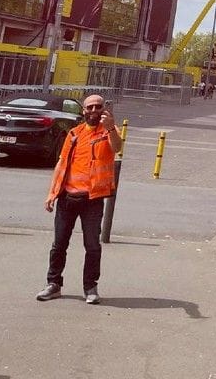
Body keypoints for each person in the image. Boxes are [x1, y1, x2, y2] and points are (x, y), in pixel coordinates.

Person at [37, 94, 125, 305]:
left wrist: (111, 127)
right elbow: (61, 164)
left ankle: (90, 287)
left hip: (92, 199)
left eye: (98, 107)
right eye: (89, 107)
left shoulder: (108, 132)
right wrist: (52, 193)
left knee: (92, 246)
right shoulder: (74, 134)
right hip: (68, 198)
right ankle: (53, 284)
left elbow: (117, 148)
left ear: (104, 109)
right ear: (83, 111)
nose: (94, 111)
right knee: (59, 244)